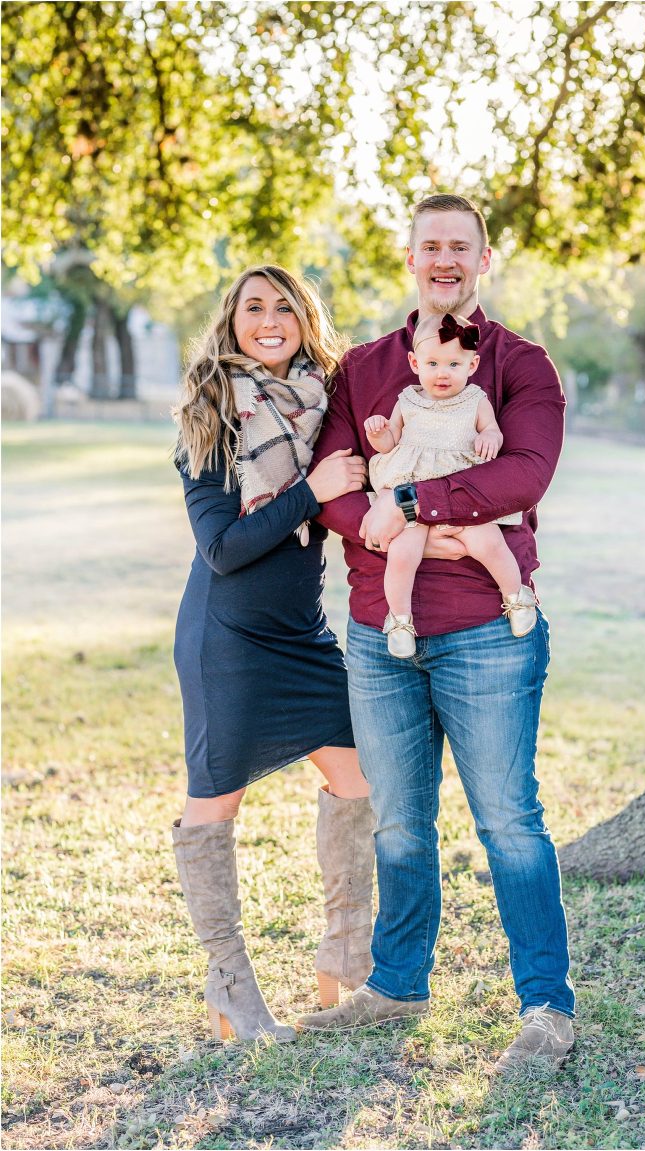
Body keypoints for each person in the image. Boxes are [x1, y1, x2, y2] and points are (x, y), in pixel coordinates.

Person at [297, 194, 576, 1072]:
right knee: (401, 824)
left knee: (510, 821)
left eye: (462, 246)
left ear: (483, 261)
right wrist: (374, 516)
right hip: (383, 630)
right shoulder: (367, 367)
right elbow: (334, 477)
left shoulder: (524, 366)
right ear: (410, 259)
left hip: (492, 628)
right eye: (431, 246)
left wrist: (414, 503)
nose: (445, 258)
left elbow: (525, 473)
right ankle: (397, 984)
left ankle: (546, 1007)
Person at [171, 264, 375, 1045]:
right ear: (232, 321)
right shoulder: (211, 414)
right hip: (228, 639)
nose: (269, 318)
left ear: (304, 321)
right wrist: (312, 490)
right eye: (253, 306)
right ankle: (230, 986)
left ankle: (345, 955)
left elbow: (352, 487)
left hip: (301, 634)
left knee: (356, 780)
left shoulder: (321, 406)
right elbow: (224, 548)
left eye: (284, 306)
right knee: (215, 804)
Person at [364, 310, 536, 657]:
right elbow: (390, 442)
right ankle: (399, 620)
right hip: (410, 491)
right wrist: (380, 432)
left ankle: (516, 596)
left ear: (472, 366)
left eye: (454, 365)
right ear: (415, 363)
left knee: (488, 543)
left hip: (458, 492)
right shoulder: (407, 400)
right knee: (402, 554)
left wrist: (489, 437)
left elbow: (493, 431)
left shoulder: (475, 400)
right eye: (433, 364)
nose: (442, 374)